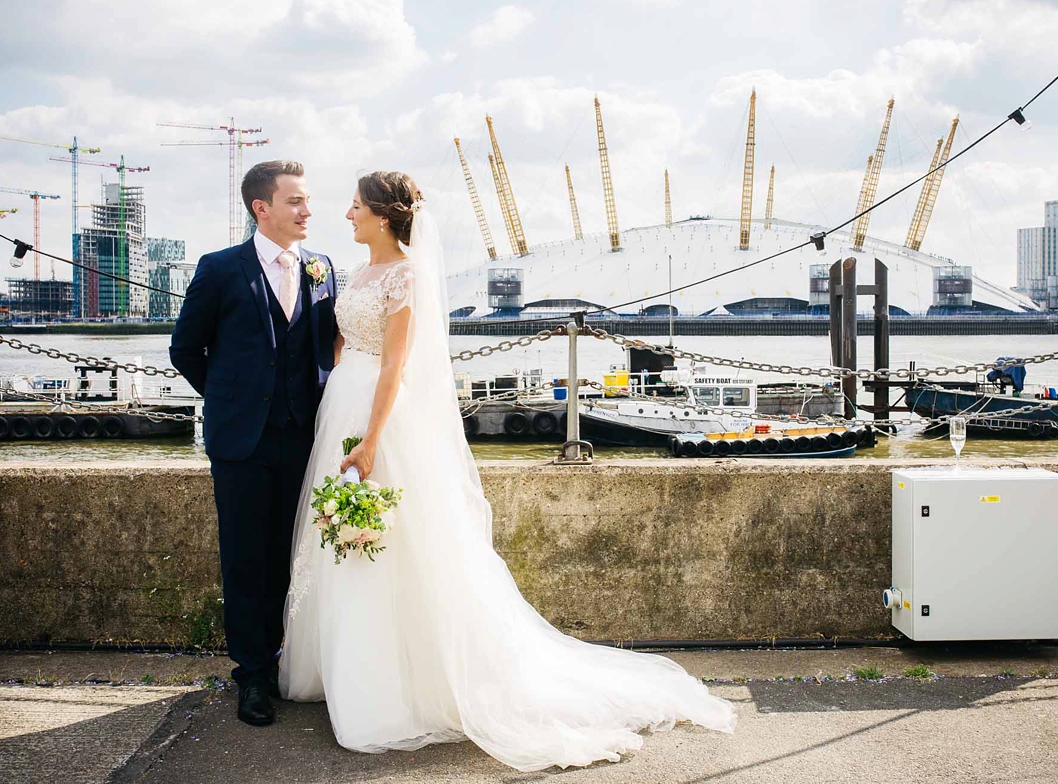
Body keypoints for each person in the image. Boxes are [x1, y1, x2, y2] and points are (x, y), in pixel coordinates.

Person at [280, 171, 735, 772]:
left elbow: (396, 366)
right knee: (347, 540)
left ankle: (399, 687)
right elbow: (345, 346)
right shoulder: (356, 273)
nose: (347, 214)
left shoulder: (405, 276)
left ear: (384, 216)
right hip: (342, 400)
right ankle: (345, 671)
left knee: (394, 540)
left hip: (378, 419)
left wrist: (370, 440)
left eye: (357, 206)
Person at [170, 160, 339, 727]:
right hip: (242, 443)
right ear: (260, 208)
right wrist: (233, 398)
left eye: (308, 200)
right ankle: (253, 677)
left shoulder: (323, 267)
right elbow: (186, 349)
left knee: (301, 557)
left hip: (306, 437)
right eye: (295, 201)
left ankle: (298, 664)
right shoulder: (219, 269)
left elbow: (324, 347)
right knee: (247, 560)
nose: (308, 210)